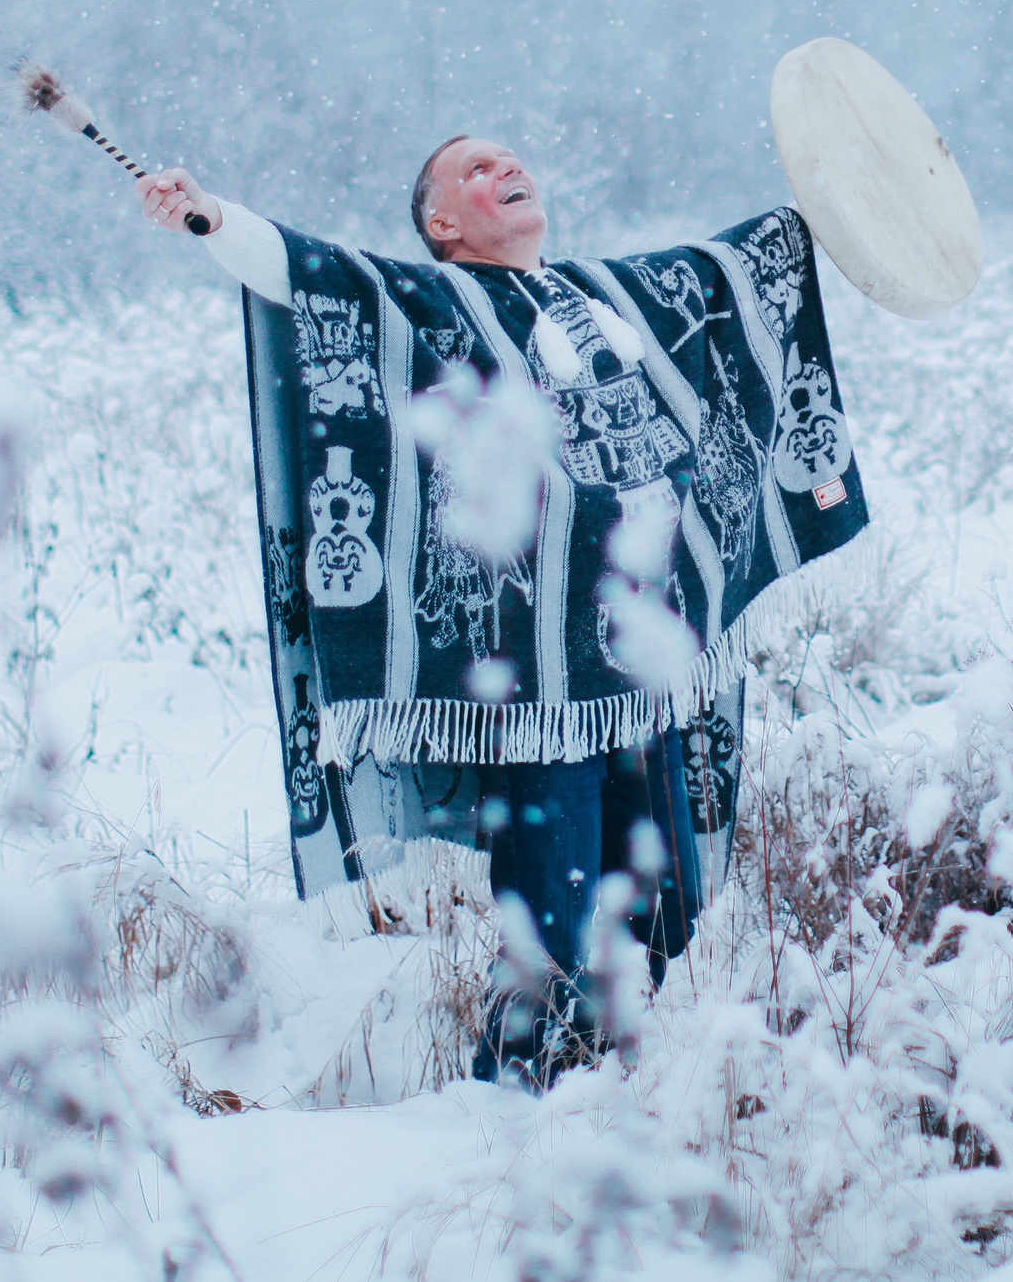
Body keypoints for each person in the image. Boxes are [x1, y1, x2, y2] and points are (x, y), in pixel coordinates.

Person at [133, 139, 868, 1085]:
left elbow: (725, 274)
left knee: (668, 904)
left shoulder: (607, 298)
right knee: (551, 922)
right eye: (472, 169)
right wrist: (209, 217)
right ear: (443, 224)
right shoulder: (430, 303)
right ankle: (519, 1095)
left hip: (646, 668)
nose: (503, 167)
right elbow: (303, 268)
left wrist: (838, 205)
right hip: (532, 679)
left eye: (507, 156)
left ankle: (628, 1076)